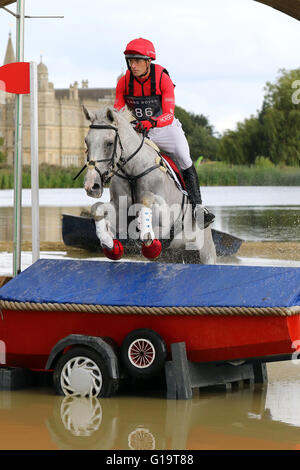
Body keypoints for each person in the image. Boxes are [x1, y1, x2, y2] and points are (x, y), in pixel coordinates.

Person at [114, 37, 215, 228]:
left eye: (136, 61)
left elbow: (169, 114)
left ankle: (198, 208)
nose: (132, 65)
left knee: (184, 157)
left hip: (165, 129)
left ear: (148, 61)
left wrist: (151, 122)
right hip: (140, 132)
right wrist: (131, 123)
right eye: (130, 61)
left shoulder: (162, 78)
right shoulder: (123, 82)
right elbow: (119, 108)